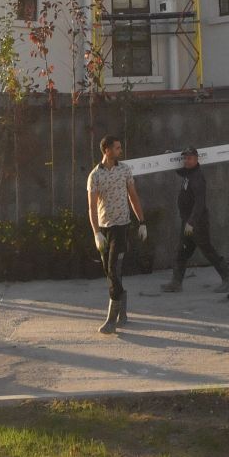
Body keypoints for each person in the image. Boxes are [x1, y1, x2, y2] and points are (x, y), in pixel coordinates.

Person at [85, 134, 147, 335]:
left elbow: (133, 196)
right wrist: (96, 233)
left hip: (122, 226)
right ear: (107, 150)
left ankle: (111, 319)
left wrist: (142, 222)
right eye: (117, 148)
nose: (120, 151)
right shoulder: (95, 175)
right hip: (105, 229)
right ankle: (123, 309)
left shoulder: (125, 170)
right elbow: (92, 208)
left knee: (113, 268)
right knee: (109, 270)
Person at [160, 147, 229, 294]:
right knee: (181, 252)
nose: (186, 161)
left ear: (196, 159)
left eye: (189, 158)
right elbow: (180, 172)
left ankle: (227, 278)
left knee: (208, 250)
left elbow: (200, 203)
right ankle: (176, 283)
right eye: (185, 158)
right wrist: (169, 159)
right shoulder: (189, 174)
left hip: (197, 223)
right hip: (188, 222)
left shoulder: (197, 178)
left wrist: (191, 222)